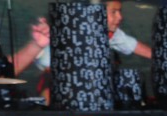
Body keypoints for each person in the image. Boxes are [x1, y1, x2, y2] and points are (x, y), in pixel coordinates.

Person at [13, 1, 151, 77]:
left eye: (120, 12)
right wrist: (36, 45)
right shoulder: (51, 32)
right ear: (94, 11)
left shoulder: (110, 34)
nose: (120, 17)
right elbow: (10, 72)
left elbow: (145, 51)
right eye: (114, 12)